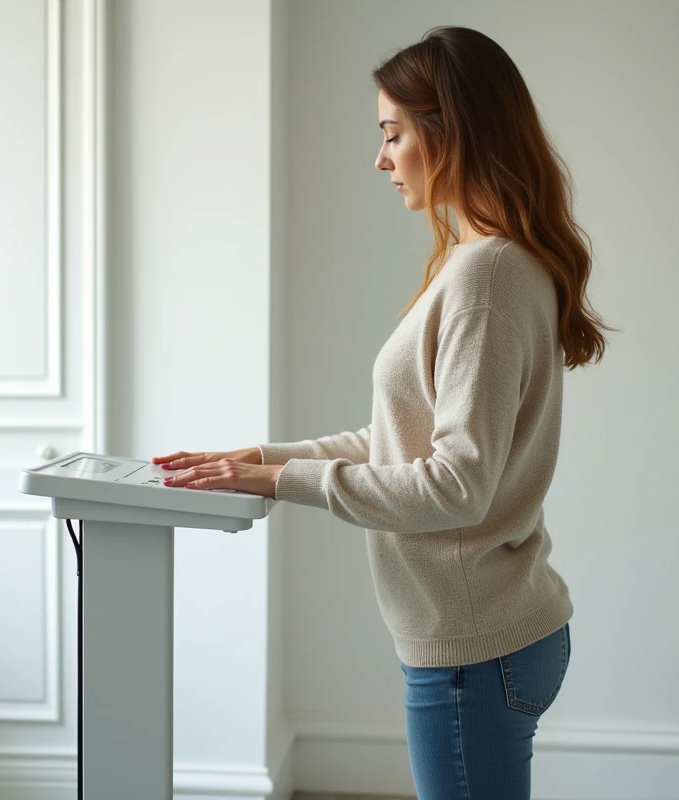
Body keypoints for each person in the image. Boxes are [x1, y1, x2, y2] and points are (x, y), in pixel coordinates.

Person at [153, 25, 609, 800]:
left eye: (393, 134)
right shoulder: (482, 265)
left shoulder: (487, 276)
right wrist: (259, 460)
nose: (381, 158)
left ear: (451, 132)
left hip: (475, 651)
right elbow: (398, 442)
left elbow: (454, 486)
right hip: (490, 638)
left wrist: (279, 481)